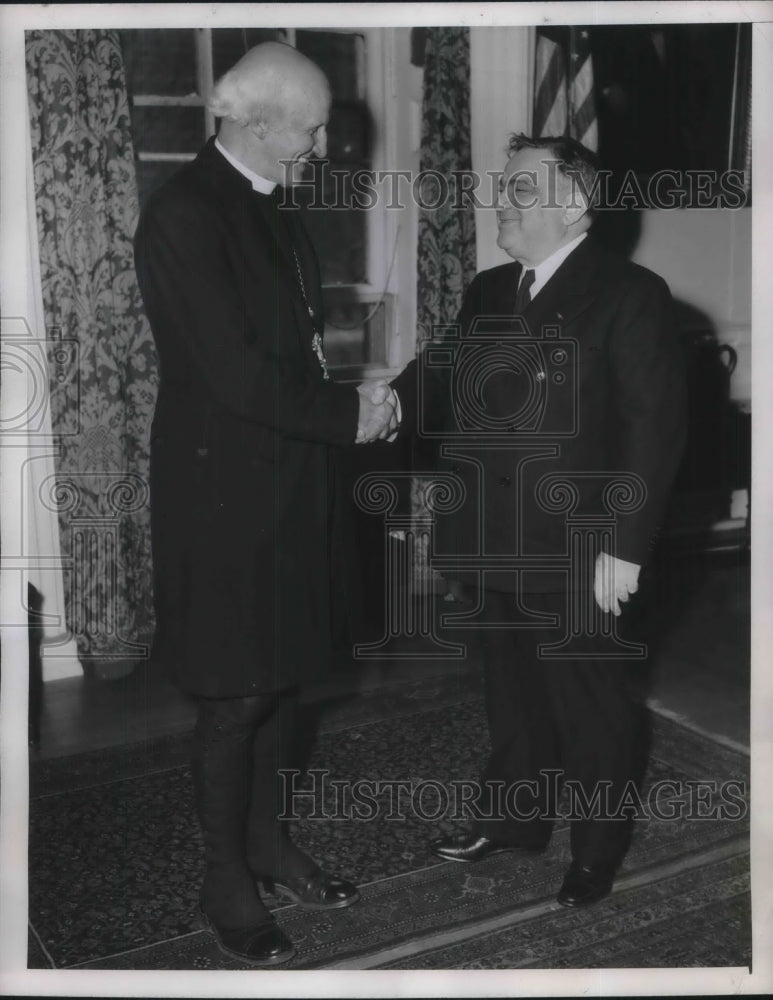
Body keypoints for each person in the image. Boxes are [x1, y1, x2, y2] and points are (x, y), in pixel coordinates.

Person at [134, 42, 398, 966]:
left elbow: (294, 358)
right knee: (236, 691)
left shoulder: (277, 211)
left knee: (285, 676)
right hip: (224, 494)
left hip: (293, 478)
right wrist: (348, 418)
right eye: (311, 127)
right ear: (250, 123)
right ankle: (225, 876)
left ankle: (269, 840)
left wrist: (354, 402)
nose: (324, 146)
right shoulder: (183, 215)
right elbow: (232, 374)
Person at [392, 134, 686, 907]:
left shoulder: (630, 294)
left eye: (521, 188)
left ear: (573, 205)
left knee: (589, 705)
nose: (502, 200)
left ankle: (595, 852)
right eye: (503, 186)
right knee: (510, 695)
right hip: (488, 532)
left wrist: (624, 549)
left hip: (580, 545)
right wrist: (373, 409)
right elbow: (437, 378)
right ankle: (513, 821)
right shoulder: (490, 288)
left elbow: (655, 432)